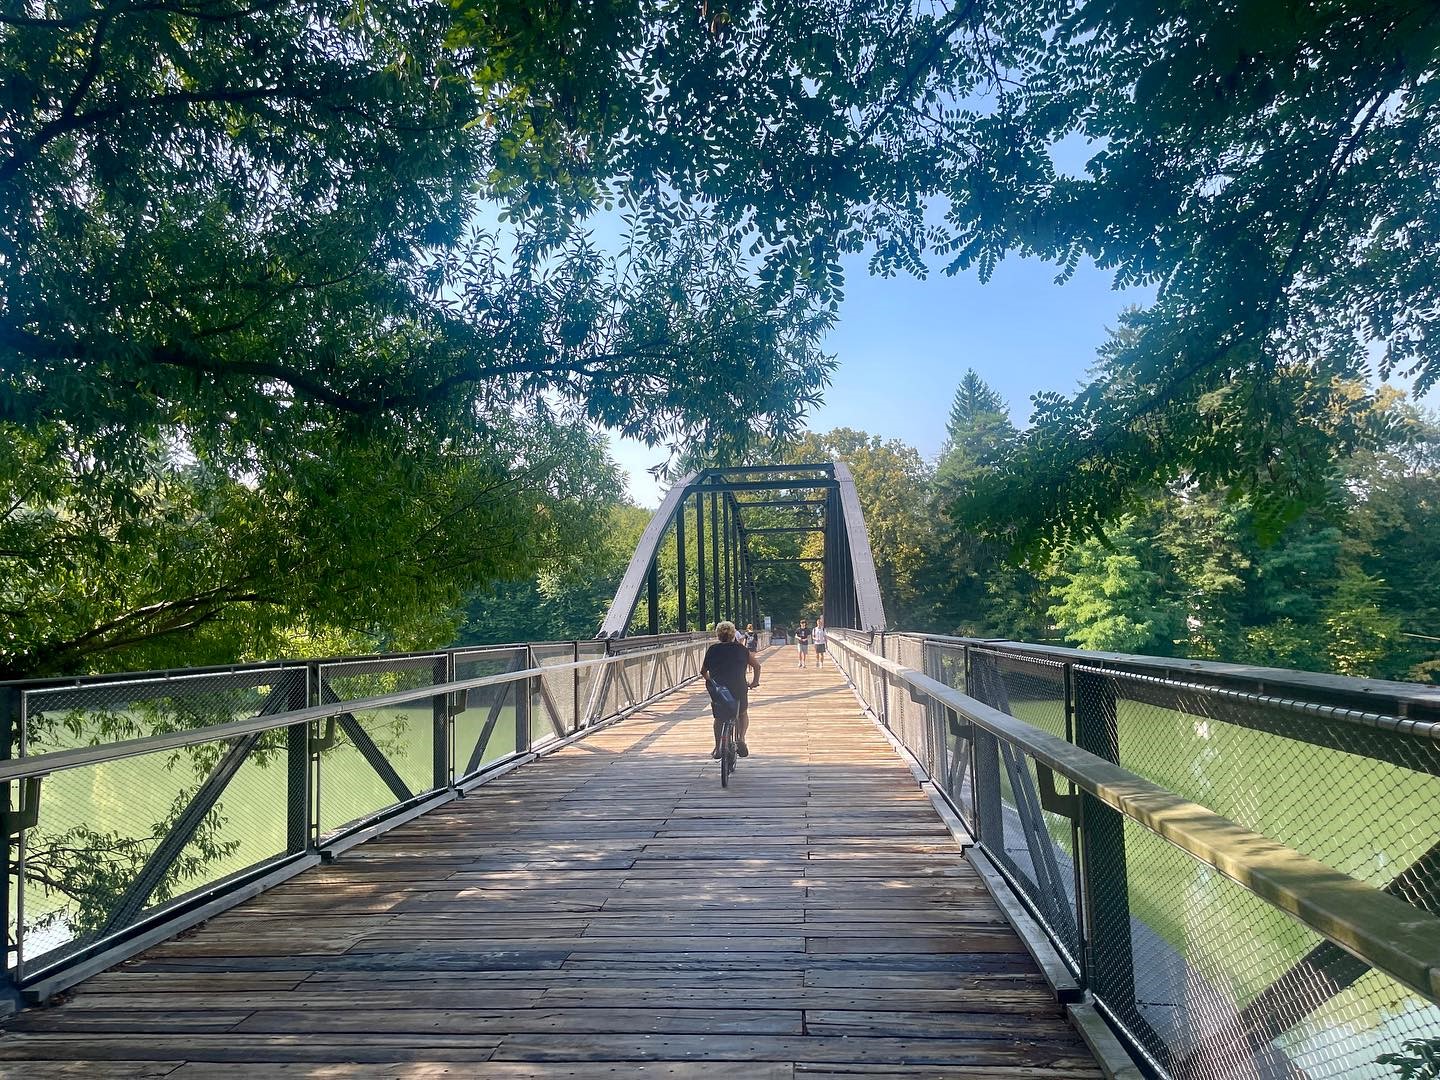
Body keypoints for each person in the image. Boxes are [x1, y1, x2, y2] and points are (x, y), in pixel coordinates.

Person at [701, 621, 761, 759]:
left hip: (719, 690)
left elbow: (703, 671)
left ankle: (718, 748)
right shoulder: (741, 649)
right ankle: (741, 738)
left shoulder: (713, 650)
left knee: (719, 718)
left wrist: (710, 680)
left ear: (718, 635)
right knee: (742, 713)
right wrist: (754, 682)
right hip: (738, 686)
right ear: (734, 634)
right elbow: (757, 666)